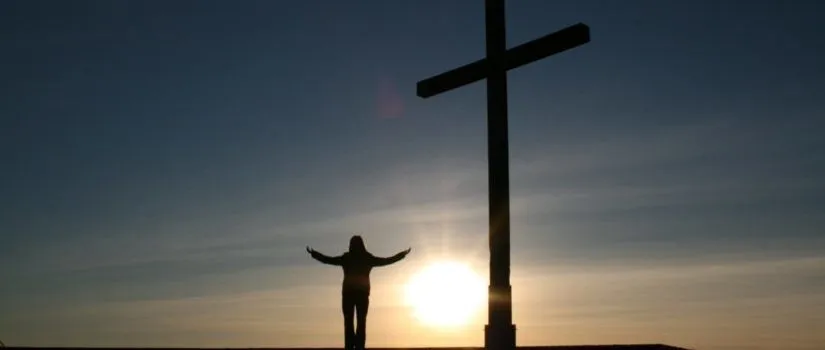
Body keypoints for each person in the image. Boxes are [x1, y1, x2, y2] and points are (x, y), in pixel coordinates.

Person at [306, 235, 411, 350]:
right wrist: (401, 255)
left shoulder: (348, 258)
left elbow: (329, 260)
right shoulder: (365, 258)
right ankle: (359, 346)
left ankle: (350, 346)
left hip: (350, 294)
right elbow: (386, 261)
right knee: (360, 322)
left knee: (350, 322)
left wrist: (315, 254)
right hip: (360, 294)